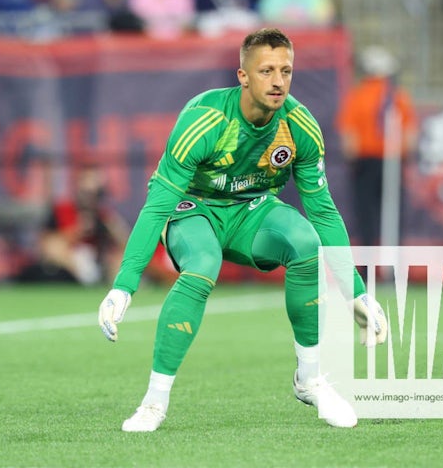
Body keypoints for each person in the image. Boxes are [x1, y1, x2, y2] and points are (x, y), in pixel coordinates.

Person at [97, 28, 387, 432]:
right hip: (193, 208)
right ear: (242, 76)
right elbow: (157, 205)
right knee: (203, 261)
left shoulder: (300, 126)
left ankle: (310, 379)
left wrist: (356, 291)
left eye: (286, 70)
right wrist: (124, 284)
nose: (278, 80)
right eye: (266, 70)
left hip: (252, 210)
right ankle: (154, 402)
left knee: (305, 242)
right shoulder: (206, 120)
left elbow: (323, 212)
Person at [336, 45, 418, 246]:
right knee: (393, 216)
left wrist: (354, 160)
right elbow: (410, 135)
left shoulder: (357, 96)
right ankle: (394, 266)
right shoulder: (397, 97)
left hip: (365, 162)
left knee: (365, 216)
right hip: (393, 161)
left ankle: (367, 268)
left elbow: (349, 139)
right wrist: (402, 157)